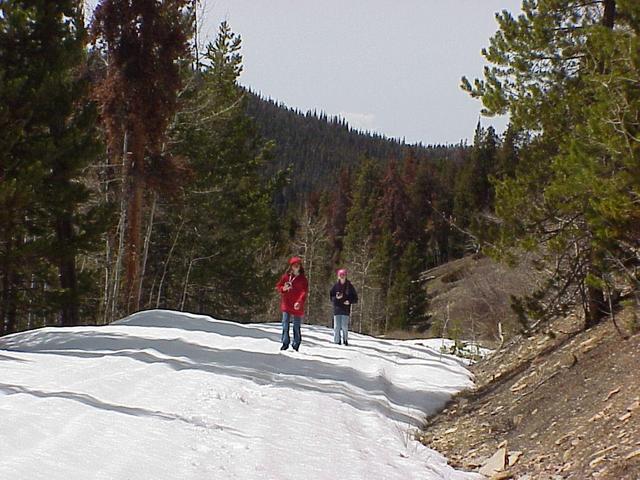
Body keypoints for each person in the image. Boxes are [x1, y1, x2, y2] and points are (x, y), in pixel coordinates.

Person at [275, 256, 309, 351]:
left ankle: (296, 344)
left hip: (297, 305)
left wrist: (299, 302)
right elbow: (279, 286)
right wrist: (283, 289)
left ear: (300, 266)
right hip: (286, 303)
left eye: (298, 265)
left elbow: (304, 292)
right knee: (285, 324)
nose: (296, 267)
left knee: (296, 326)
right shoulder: (286, 276)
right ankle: (285, 343)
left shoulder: (303, 279)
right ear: (291, 266)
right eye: (294, 265)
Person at [330, 268, 358, 346]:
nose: (342, 276)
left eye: (343, 275)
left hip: (345, 309)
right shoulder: (335, 286)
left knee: (344, 326)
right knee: (336, 327)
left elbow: (355, 298)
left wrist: (349, 301)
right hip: (337, 308)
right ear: (338, 276)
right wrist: (336, 298)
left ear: (346, 276)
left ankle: (345, 340)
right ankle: (336, 342)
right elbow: (331, 296)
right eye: (340, 275)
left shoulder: (349, 286)